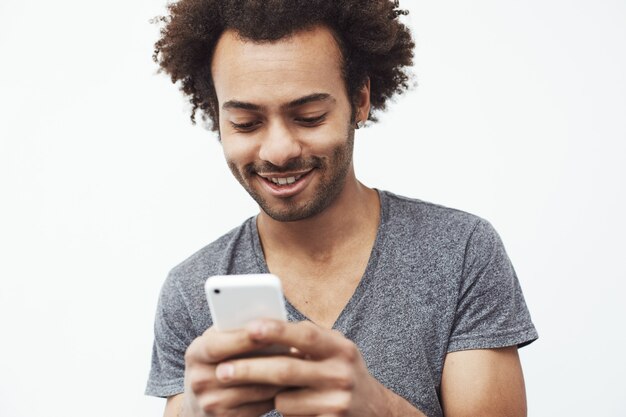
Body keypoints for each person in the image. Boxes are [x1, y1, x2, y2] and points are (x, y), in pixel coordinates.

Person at [146, 1, 538, 416]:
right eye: (245, 123)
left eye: (310, 117)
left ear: (361, 100)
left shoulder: (461, 252)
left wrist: (379, 408)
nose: (279, 151)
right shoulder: (190, 292)